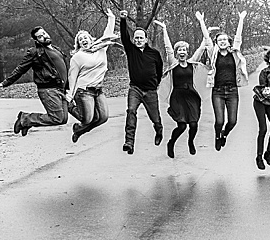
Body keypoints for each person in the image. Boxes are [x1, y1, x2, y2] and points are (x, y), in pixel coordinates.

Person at [0, 25, 70, 136]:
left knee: (63, 119)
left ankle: (27, 122)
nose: (44, 36)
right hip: (48, 89)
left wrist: (67, 88)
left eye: (44, 33)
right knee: (57, 118)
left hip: (61, 88)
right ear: (36, 40)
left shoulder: (56, 49)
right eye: (40, 36)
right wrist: (6, 82)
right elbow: (21, 68)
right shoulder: (35, 52)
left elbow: (63, 70)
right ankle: (25, 119)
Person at [154, 12, 211, 158]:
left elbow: (203, 46)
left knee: (193, 124)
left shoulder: (192, 62)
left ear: (187, 52)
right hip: (178, 97)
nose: (182, 52)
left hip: (192, 96)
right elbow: (167, 47)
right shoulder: (173, 64)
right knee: (181, 125)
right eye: (180, 50)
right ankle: (171, 143)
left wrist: (204, 28)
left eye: (184, 50)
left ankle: (191, 142)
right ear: (177, 52)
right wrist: (165, 29)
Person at [198, 11, 248, 151]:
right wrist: (202, 21)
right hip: (218, 91)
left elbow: (239, 37)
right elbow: (207, 39)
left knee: (232, 121)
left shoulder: (234, 53)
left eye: (225, 40)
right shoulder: (213, 54)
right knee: (219, 121)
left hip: (232, 91)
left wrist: (241, 19)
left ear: (228, 42)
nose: (222, 42)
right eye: (220, 40)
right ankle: (217, 135)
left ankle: (224, 134)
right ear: (217, 43)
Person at [66, 8, 118, 143]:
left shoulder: (101, 49)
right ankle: (69, 107)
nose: (84, 40)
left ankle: (78, 130)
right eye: (80, 39)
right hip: (83, 91)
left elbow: (108, 34)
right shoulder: (77, 57)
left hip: (98, 90)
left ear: (91, 39)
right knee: (87, 119)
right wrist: (69, 96)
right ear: (78, 44)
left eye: (85, 38)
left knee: (103, 117)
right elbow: (72, 77)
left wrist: (111, 18)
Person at [120, 10, 164, 154]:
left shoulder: (154, 54)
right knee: (131, 111)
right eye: (136, 38)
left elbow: (159, 70)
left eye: (141, 38)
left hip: (150, 90)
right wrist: (123, 20)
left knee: (155, 117)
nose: (138, 40)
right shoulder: (131, 51)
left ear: (146, 39)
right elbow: (124, 37)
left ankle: (159, 130)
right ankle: (129, 142)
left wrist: (155, 84)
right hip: (135, 89)